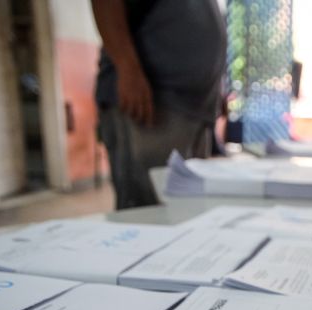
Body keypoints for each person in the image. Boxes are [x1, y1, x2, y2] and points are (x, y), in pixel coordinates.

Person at [92, 0, 227, 210]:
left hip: (194, 109)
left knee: (187, 210)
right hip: (153, 102)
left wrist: (216, 90)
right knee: (147, 212)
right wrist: (128, 68)